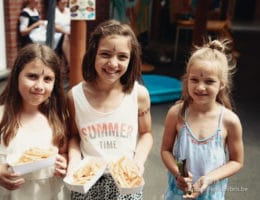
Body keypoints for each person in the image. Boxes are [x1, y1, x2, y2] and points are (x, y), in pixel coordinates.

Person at [0, 43, 70, 200]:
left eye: (48, 79)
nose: (39, 86)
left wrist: (64, 162)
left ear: (55, 84)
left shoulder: (58, 118)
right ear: (16, 76)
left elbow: (63, 152)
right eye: (32, 76)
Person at [67, 19, 153, 199]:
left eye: (122, 57)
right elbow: (74, 136)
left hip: (126, 184)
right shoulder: (75, 96)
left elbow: (146, 133)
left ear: (131, 59)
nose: (113, 64)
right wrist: (74, 161)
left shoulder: (139, 95)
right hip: (86, 184)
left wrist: (138, 161)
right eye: (105, 54)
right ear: (93, 55)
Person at [161, 39, 244, 199]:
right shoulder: (177, 113)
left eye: (209, 81)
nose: (200, 87)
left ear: (222, 84)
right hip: (178, 193)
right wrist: (179, 172)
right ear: (187, 80)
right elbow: (166, 150)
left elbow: (237, 161)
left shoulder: (230, 121)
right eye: (194, 80)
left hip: (211, 195)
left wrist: (209, 178)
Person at [54, 0, 70, 67]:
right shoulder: (54, 11)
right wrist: (66, 32)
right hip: (58, 33)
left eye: (66, 1)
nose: (65, 2)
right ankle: (70, 62)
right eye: (62, 0)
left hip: (69, 32)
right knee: (66, 37)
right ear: (58, 2)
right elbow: (54, 26)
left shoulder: (69, 10)